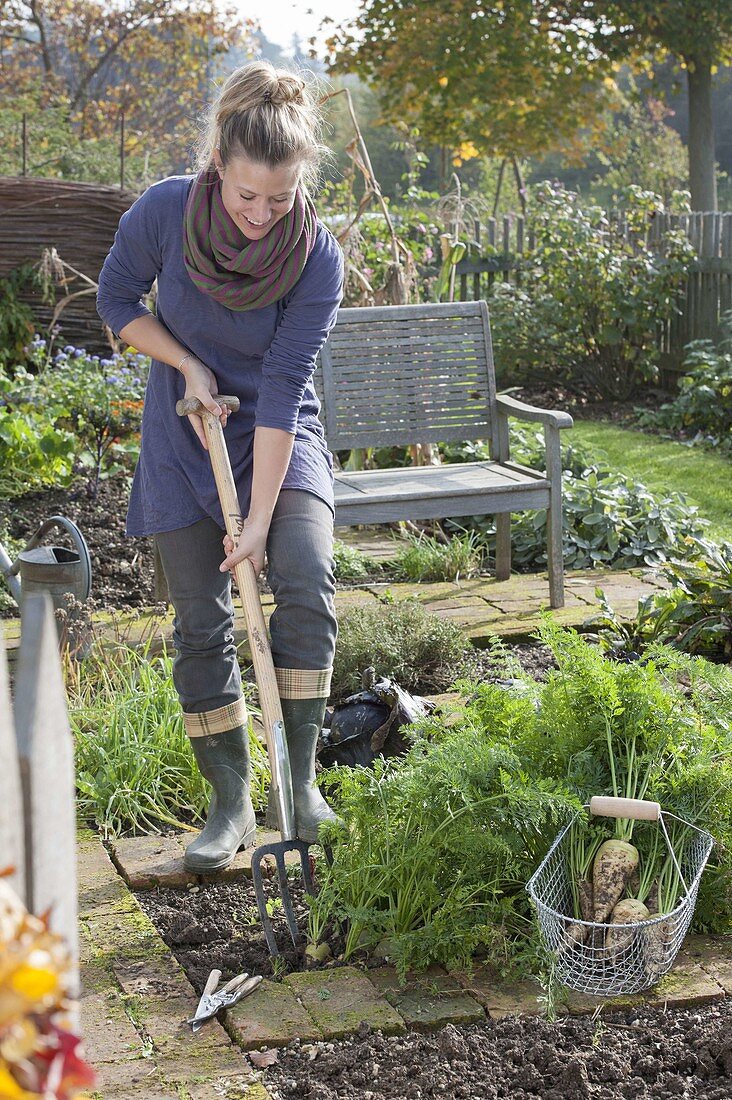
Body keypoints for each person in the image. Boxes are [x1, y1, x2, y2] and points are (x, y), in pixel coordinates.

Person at [97, 60, 344, 873]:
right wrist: (188, 367)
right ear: (217, 167)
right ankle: (231, 801)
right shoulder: (165, 212)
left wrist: (265, 519)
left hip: (277, 435)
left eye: (280, 199)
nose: (261, 216)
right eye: (247, 197)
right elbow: (117, 300)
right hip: (184, 430)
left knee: (305, 581)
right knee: (200, 623)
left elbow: (282, 386)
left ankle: (298, 786)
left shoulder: (316, 255)